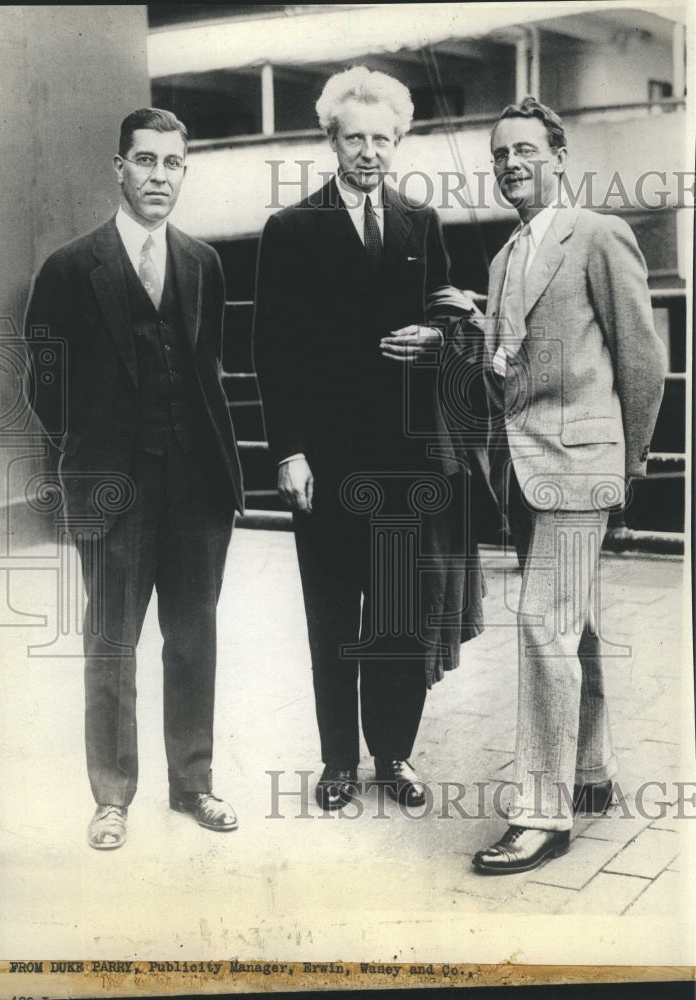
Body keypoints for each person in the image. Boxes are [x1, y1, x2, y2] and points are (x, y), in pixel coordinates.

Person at [253, 67, 496, 811]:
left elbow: (450, 319)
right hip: (324, 462)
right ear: (331, 140)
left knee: (396, 615)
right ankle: (336, 762)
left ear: (399, 140)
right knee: (331, 616)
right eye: (354, 138)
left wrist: (437, 341)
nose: (369, 151)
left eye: (382, 138)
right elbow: (270, 349)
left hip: (403, 458)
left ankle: (392, 755)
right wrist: (287, 451)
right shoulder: (290, 228)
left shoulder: (421, 222)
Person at [25, 108, 244, 850]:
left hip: (198, 487)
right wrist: (89, 451)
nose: (159, 176)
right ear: (118, 168)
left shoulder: (204, 263)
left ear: (184, 171)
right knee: (112, 643)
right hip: (112, 488)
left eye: (172, 163)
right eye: (145, 161)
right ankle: (112, 795)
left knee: (193, 639)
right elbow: (43, 383)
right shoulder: (69, 266)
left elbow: (209, 369)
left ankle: (194, 783)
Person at [472, 97, 666, 874]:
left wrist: (627, 464)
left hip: (581, 464)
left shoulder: (597, 234)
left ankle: (541, 814)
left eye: (523, 150)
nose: (510, 164)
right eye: (498, 156)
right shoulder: (502, 257)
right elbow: (505, 371)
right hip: (525, 466)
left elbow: (641, 360)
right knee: (571, 624)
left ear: (558, 156)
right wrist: (467, 338)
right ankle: (589, 774)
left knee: (540, 625)